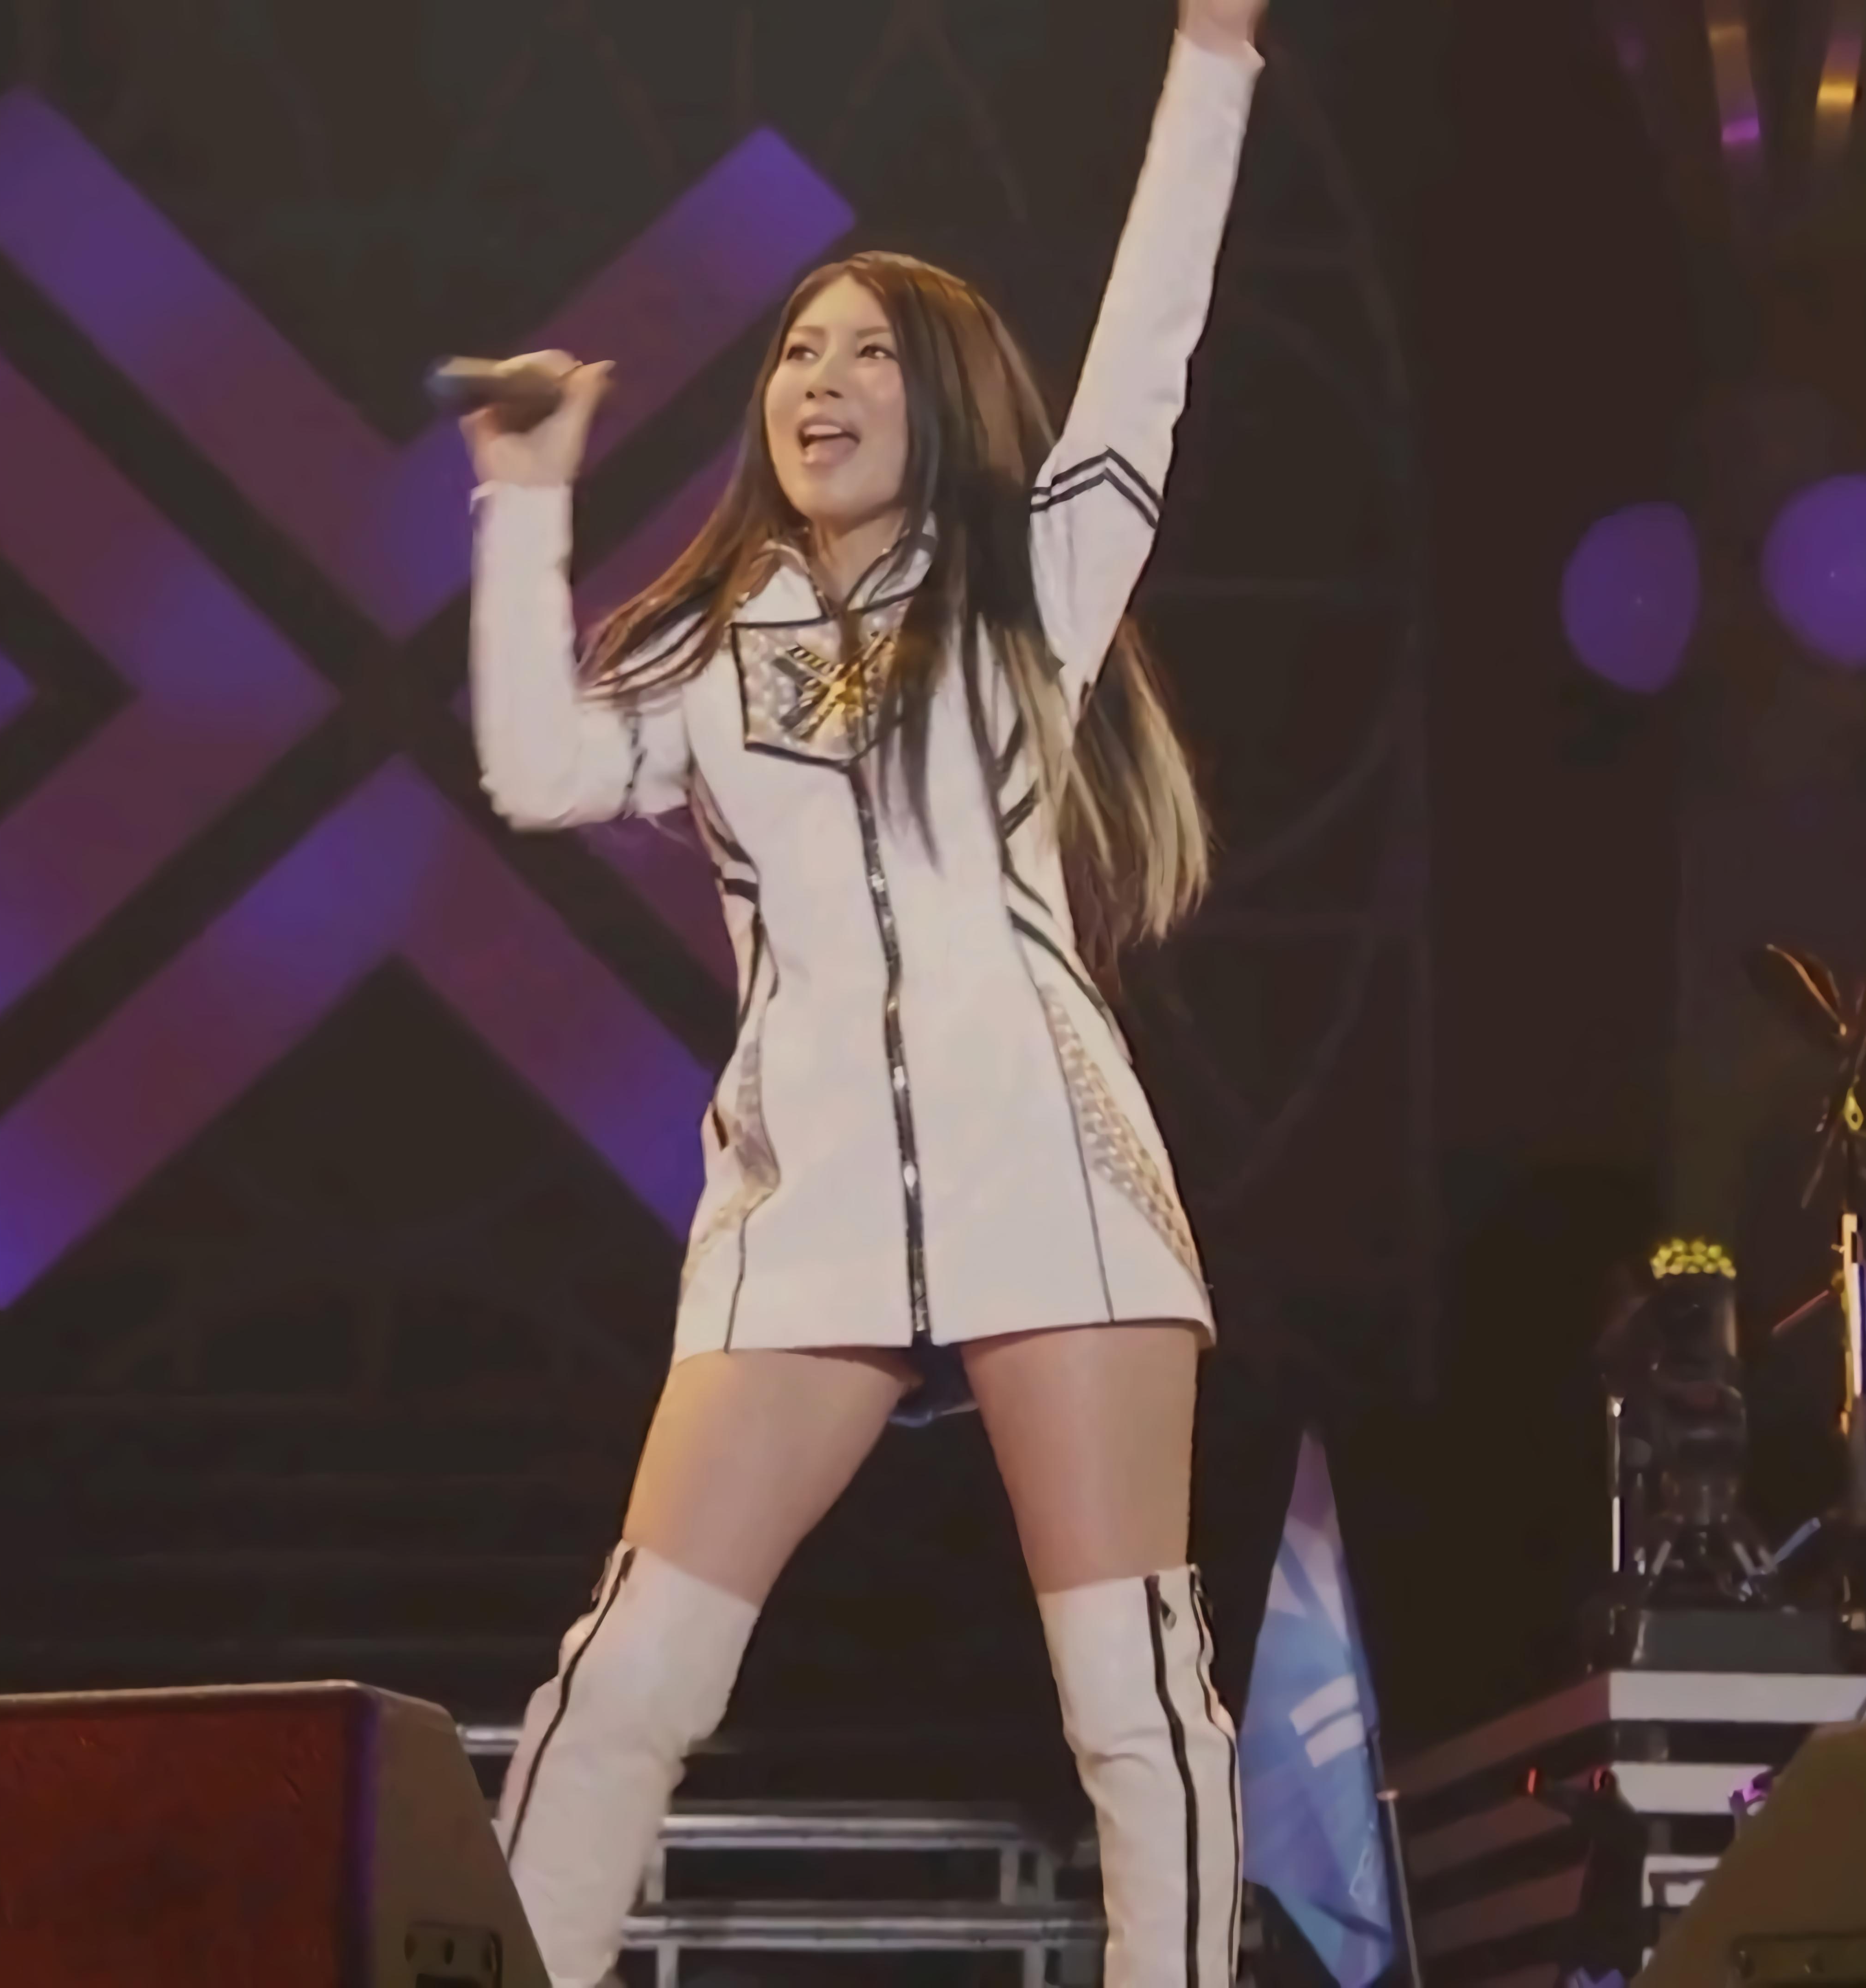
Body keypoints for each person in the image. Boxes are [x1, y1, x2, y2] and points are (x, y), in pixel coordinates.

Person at [462, 3, 1263, 1981]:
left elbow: (1152, 340)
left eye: (869, 351)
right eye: (796, 352)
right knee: (628, 1675)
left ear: (949, 398)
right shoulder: (710, 649)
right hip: (799, 1205)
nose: (818, 381)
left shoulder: (1032, 588)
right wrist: (526, 499)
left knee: (1132, 1700)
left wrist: (1215, 52)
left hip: (1053, 1179)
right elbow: (538, 770)